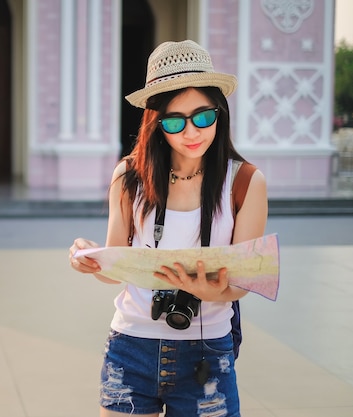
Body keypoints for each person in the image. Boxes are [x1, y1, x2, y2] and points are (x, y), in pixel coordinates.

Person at [69, 40, 268, 417]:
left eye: (204, 117)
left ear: (220, 113)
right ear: (157, 124)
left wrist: (211, 290)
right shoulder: (129, 176)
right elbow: (116, 269)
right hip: (131, 345)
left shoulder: (246, 182)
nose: (192, 132)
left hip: (206, 348)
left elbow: (244, 281)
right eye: (176, 121)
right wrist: (91, 258)